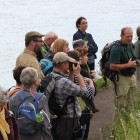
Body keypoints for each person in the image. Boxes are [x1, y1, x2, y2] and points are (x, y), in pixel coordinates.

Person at [45, 52, 95, 140]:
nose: (69, 65)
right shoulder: (63, 82)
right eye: (68, 63)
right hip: (68, 121)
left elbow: (69, 89)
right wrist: (78, 74)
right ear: (64, 64)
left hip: (57, 119)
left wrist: (71, 73)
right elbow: (85, 93)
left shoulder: (50, 76)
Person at [10, 67, 53, 140]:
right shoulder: (41, 98)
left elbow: (12, 121)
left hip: (21, 136)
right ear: (36, 81)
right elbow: (46, 124)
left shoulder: (14, 97)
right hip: (37, 136)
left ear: (21, 80)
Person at [109, 27, 137, 121]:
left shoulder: (130, 45)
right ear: (121, 36)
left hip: (131, 76)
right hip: (121, 78)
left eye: (131, 36)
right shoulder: (116, 48)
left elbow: (134, 57)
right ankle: (115, 130)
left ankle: (129, 125)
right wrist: (128, 65)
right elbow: (112, 66)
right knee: (121, 106)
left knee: (132, 102)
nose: (130, 38)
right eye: (127, 36)